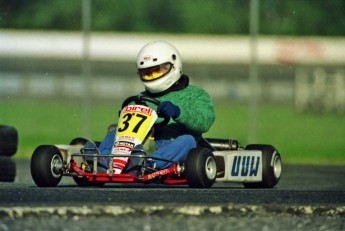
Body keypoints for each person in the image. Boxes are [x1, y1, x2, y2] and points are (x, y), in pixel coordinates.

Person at [95, 40, 215, 172]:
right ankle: (102, 161)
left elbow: (205, 121)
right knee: (114, 132)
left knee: (188, 140)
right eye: (147, 73)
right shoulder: (139, 99)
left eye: (157, 71)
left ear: (174, 66)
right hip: (141, 146)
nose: (152, 76)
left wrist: (179, 113)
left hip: (175, 147)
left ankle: (149, 164)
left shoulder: (195, 94)